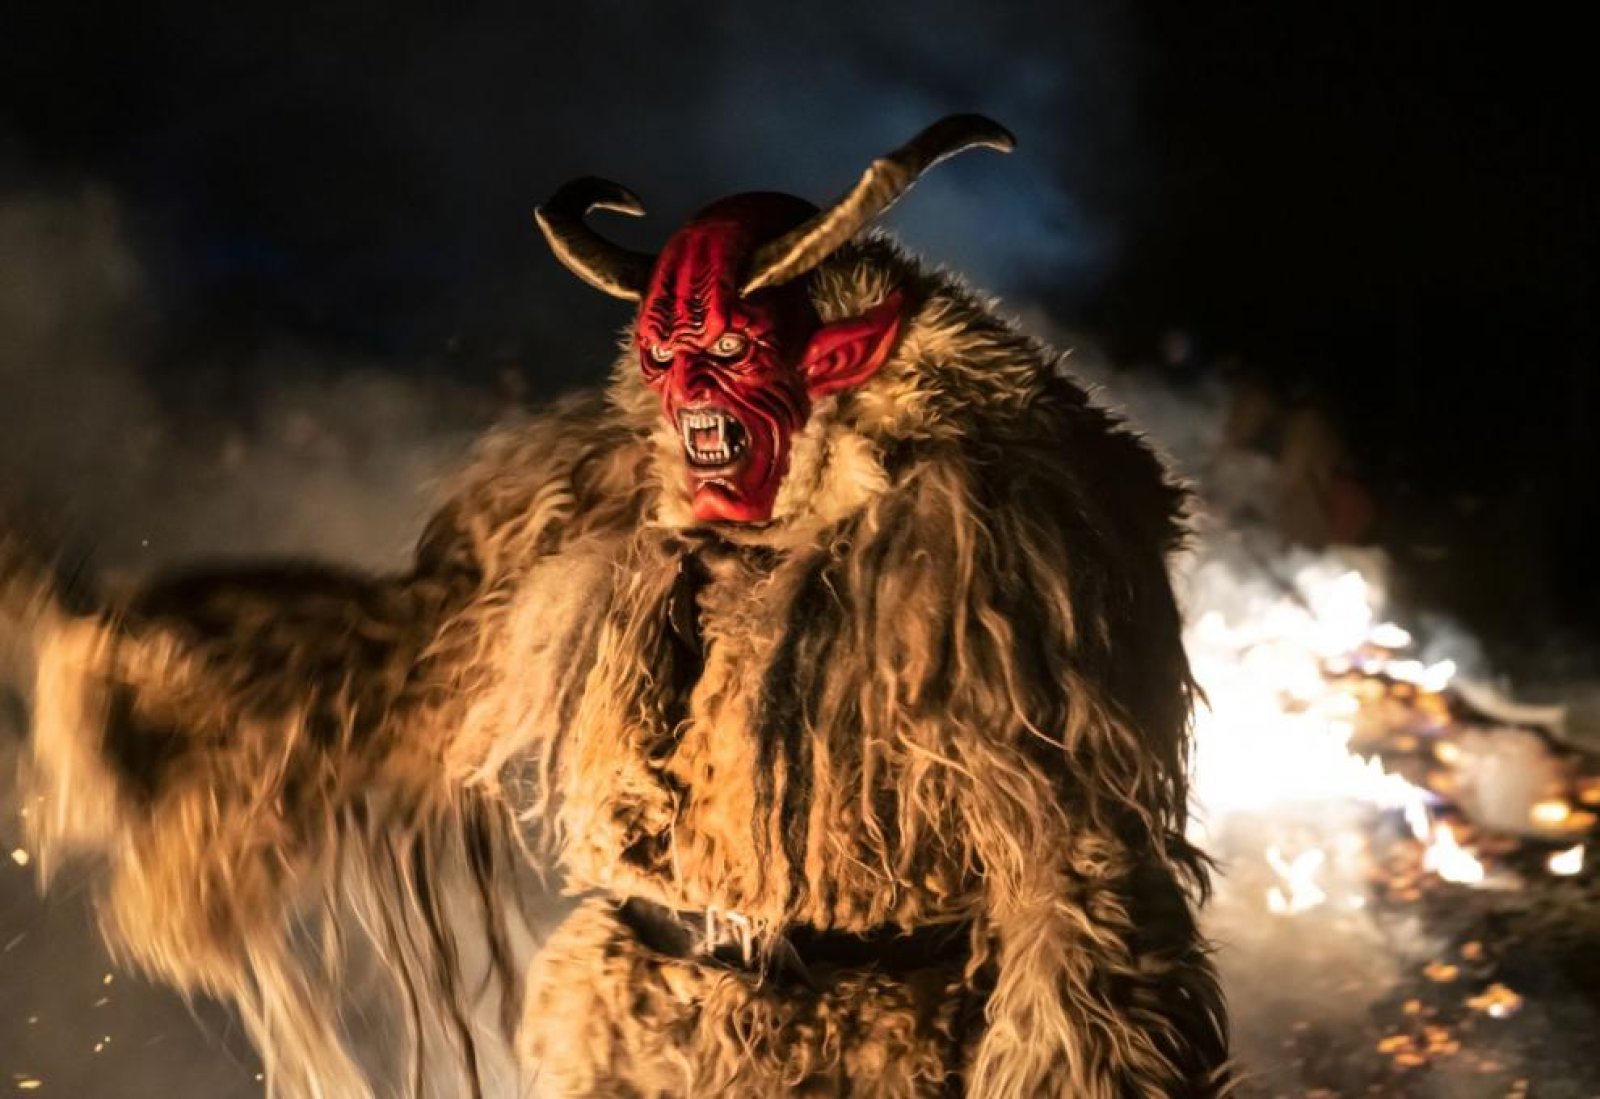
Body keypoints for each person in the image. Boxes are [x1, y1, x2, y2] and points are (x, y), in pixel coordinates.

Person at [3, 115, 1229, 1097]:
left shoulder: (990, 543)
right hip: (625, 1036)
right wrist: (188, 661)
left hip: (876, 1054)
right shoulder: (602, 504)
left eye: (726, 362)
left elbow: (1087, 875)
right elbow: (414, 672)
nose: (693, 408)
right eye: (668, 369)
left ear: (834, 361)